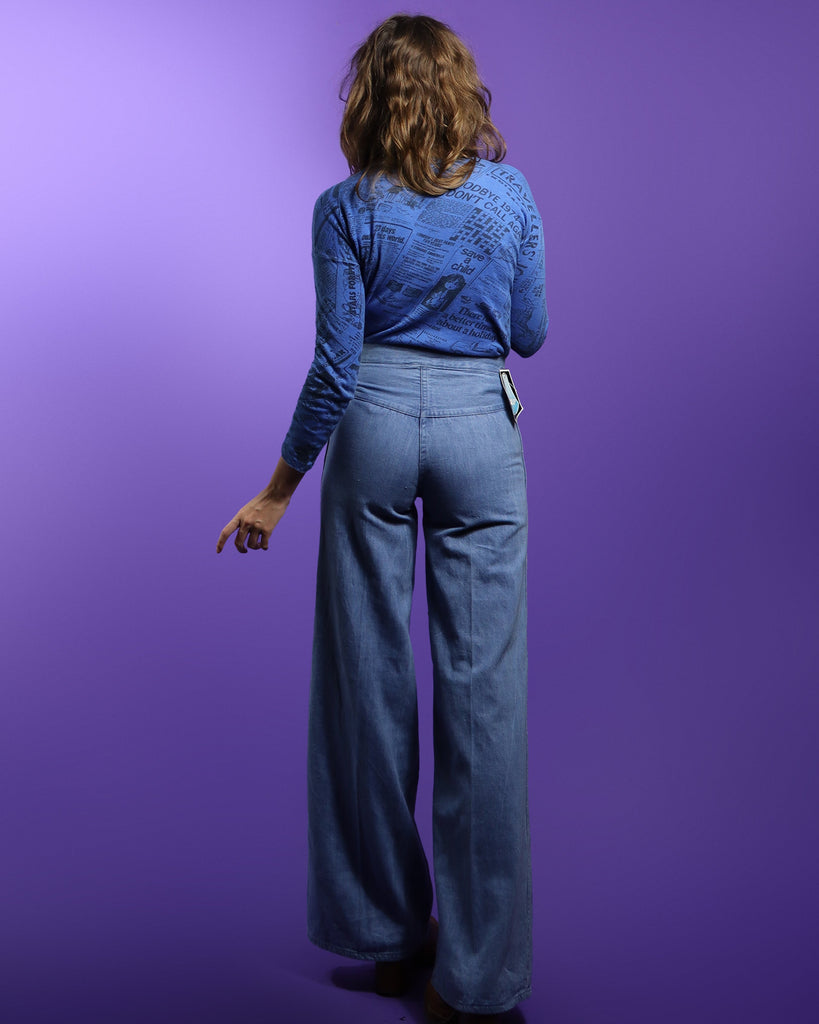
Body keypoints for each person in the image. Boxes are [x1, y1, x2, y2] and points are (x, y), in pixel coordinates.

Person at [217, 14, 548, 1022]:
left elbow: (334, 365)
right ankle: (475, 980)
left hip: (372, 424)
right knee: (484, 702)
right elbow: (530, 333)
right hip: (479, 430)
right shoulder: (510, 195)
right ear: (459, 91)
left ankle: (387, 937)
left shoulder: (343, 208)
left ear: (369, 98)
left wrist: (278, 487)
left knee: (364, 681)